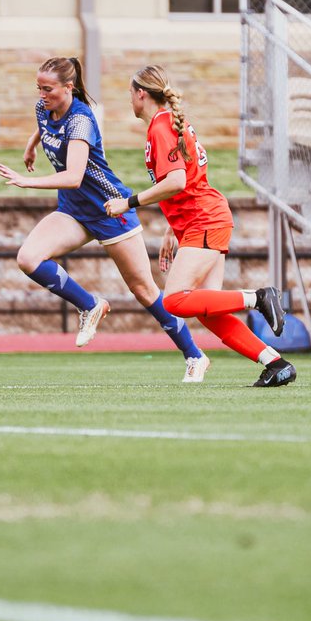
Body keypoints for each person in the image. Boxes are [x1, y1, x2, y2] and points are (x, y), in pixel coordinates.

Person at [0, 56, 210, 382]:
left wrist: (28, 181)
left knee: (144, 290)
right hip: (74, 211)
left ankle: (194, 355)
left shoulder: (82, 119)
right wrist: (31, 145)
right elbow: (45, 125)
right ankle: (90, 305)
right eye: (39, 88)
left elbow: (73, 176)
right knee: (28, 258)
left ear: (69, 88)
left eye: (48, 89)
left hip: (110, 208)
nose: (42, 94)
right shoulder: (44, 108)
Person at [104, 65, 296, 388]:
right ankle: (274, 363)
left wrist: (129, 202)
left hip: (205, 220)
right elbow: (188, 180)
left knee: (174, 300)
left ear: (141, 94)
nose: (129, 100)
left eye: (129, 93)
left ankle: (259, 297)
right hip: (204, 219)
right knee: (208, 310)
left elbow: (177, 180)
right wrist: (170, 228)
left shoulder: (160, 127)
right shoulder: (168, 124)